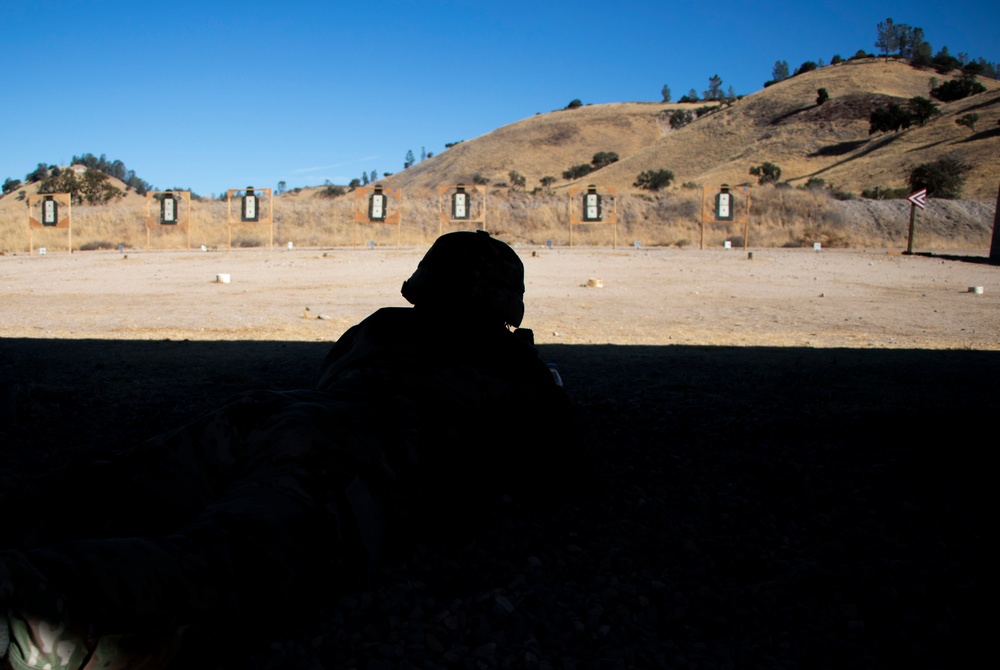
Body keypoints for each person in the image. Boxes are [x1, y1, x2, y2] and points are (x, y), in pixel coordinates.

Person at [0, 230, 585, 670]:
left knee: (105, 489)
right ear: (505, 305)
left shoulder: (379, 328)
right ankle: (21, 617)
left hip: (274, 414)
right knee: (225, 570)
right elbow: (557, 474)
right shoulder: (513, 372)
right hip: (347, 456)